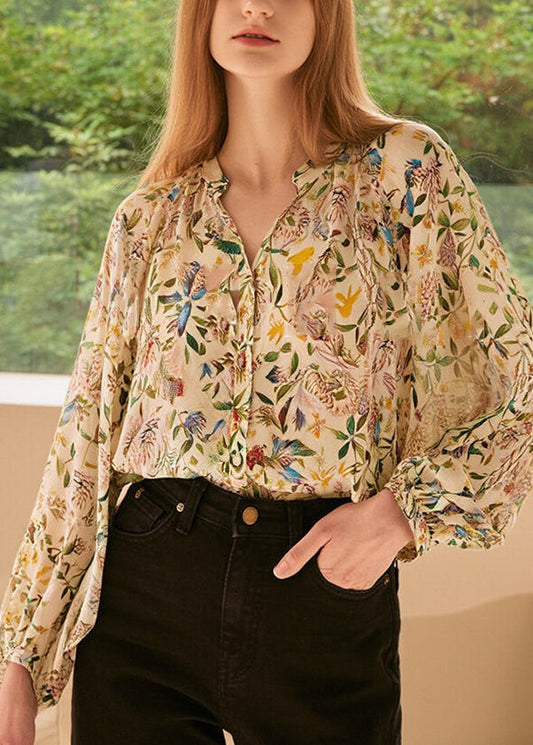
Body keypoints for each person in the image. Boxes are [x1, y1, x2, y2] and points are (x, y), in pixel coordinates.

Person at [1, 0, 533, 743]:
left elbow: (518, 380)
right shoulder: (150, 218)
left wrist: (403, 511)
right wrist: (21, 656)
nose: (256, 5)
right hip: (148, 589)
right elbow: (84, 436)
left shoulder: (404, 173)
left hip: (321, 595)